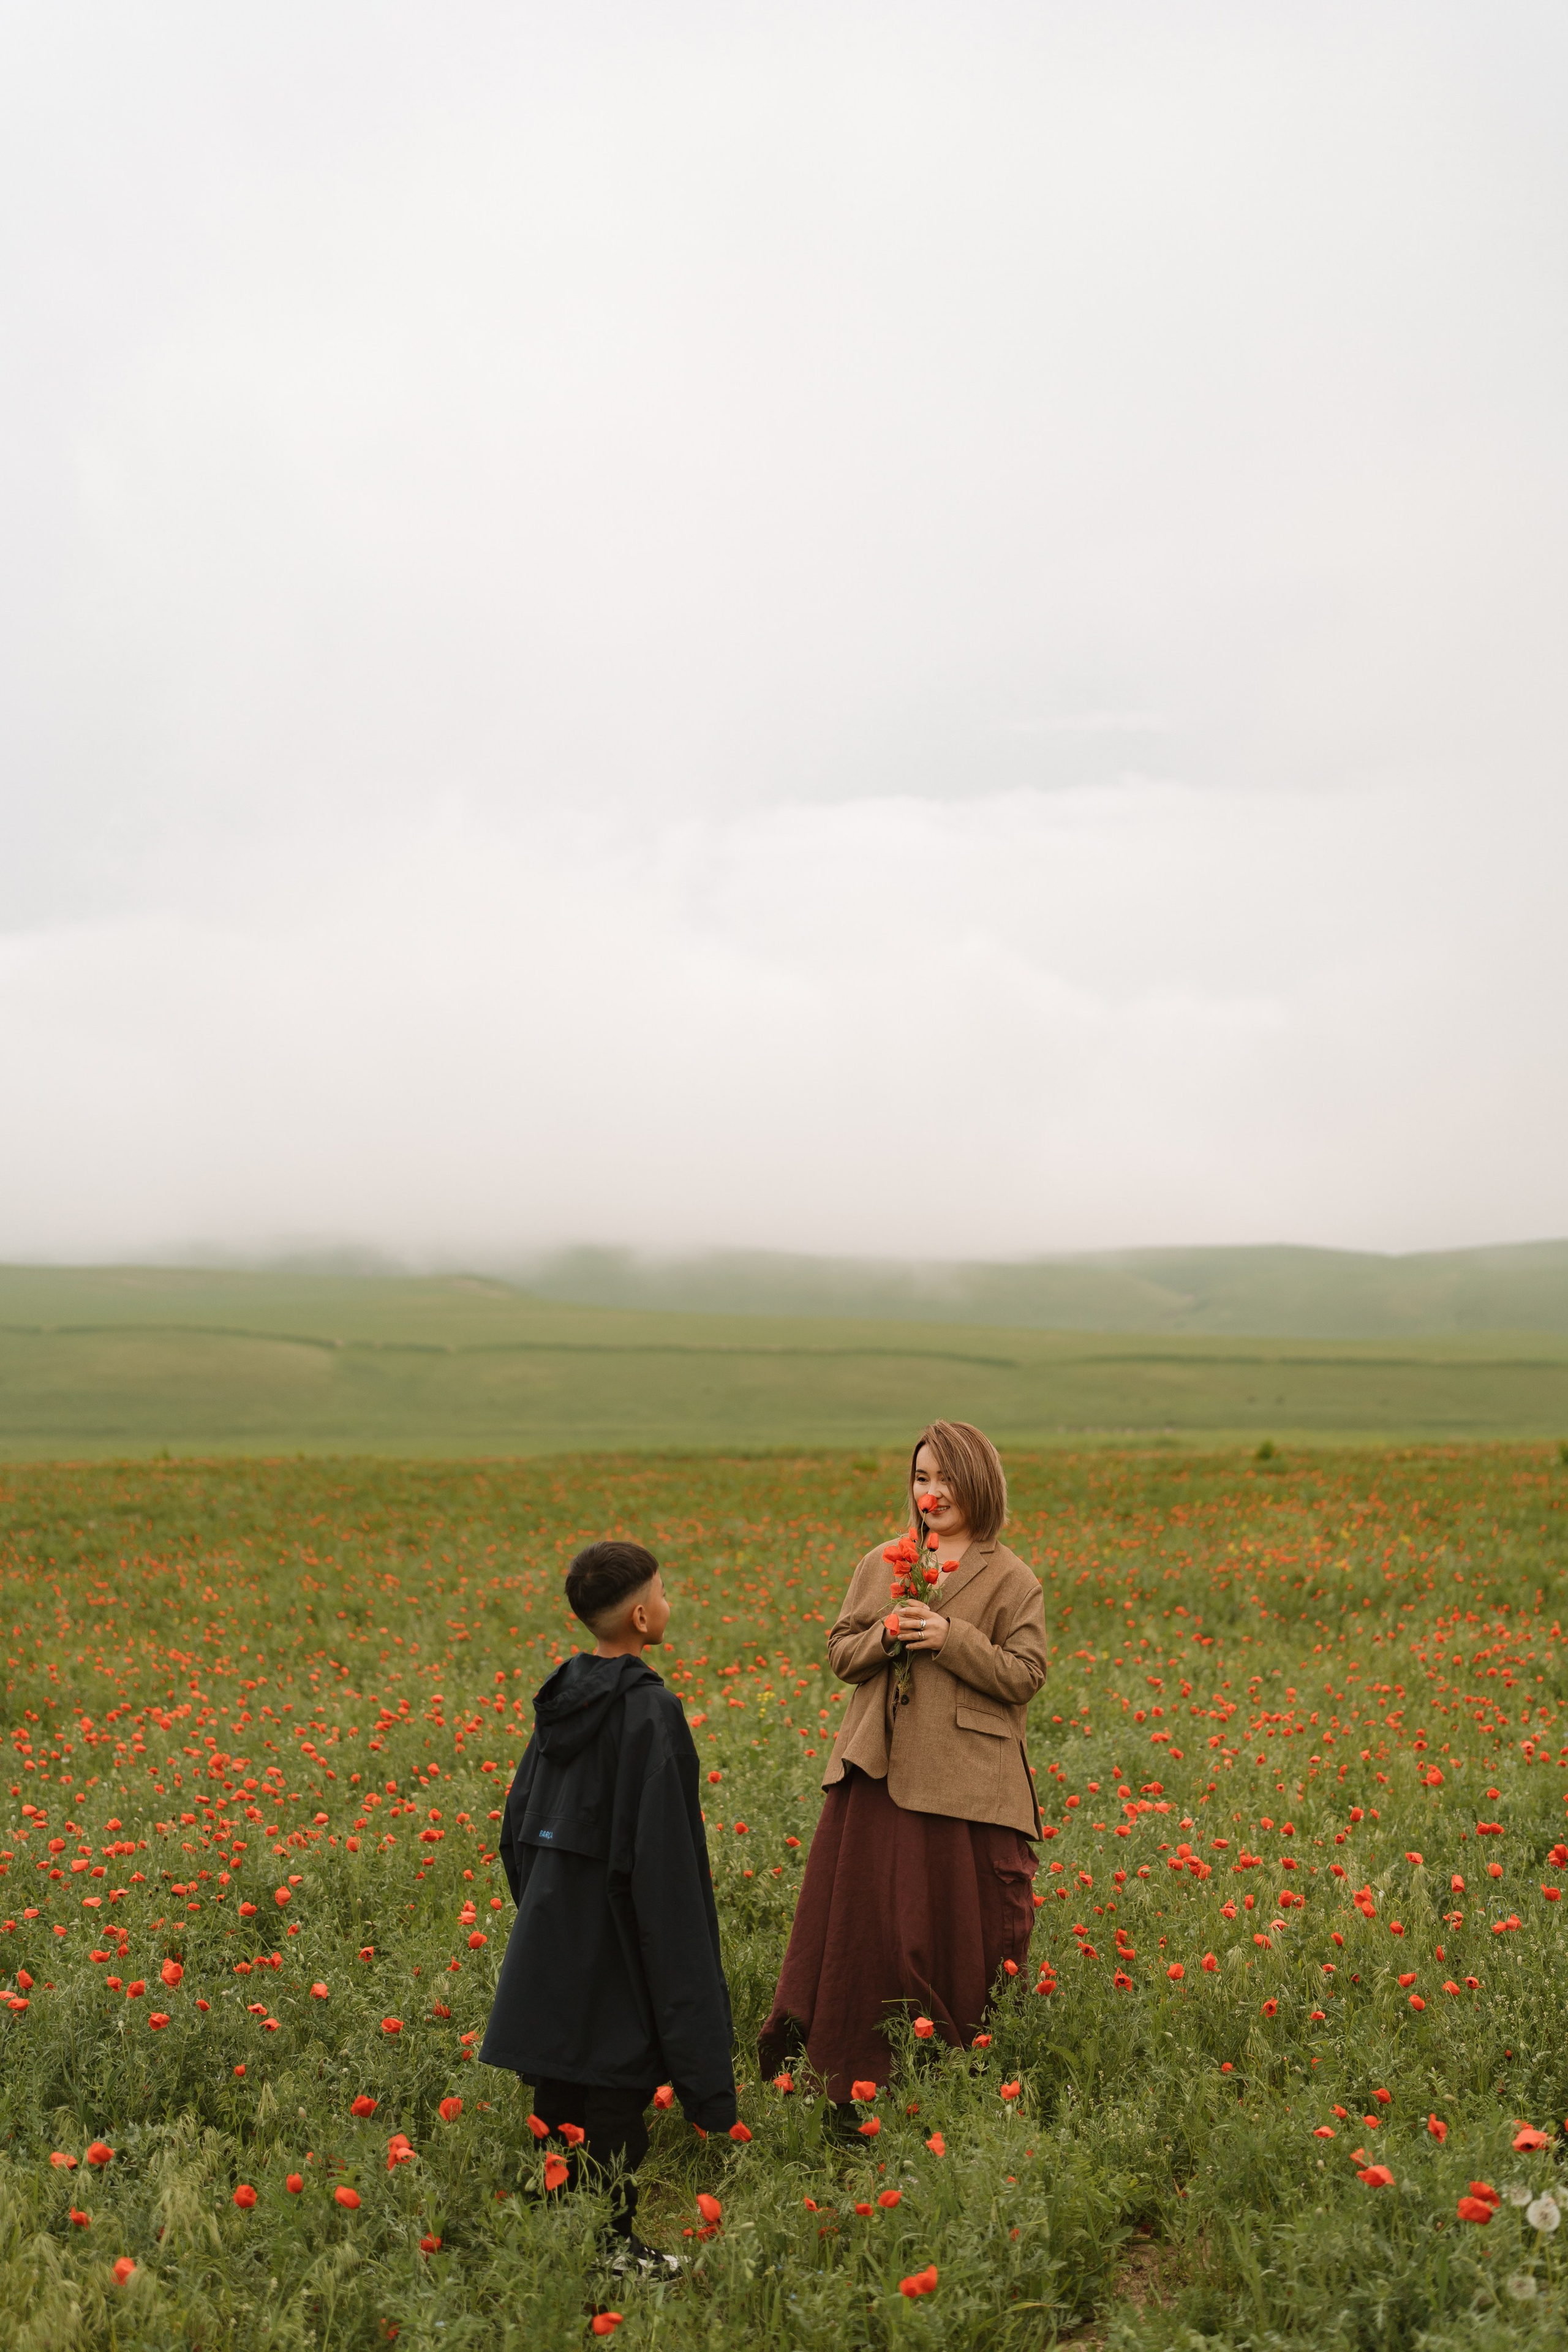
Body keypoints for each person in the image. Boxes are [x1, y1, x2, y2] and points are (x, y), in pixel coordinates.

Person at [759, 1420, 1047, 2117]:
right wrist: (886, 1634)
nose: (932, 1492)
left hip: (968, 1781)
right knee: (871, 1925)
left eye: (946, 1478)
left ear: (979, 1484)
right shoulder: (884, 1561)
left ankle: (957, 2072)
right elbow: (841, 1652)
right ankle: (854, 2068)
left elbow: (1026, 1674)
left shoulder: (1012, 1577)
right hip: (878, 1770)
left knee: (951, 1930)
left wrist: (952, 1638)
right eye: (921, 1478)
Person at [481, 1539, 736, 2267]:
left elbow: (515, 1826)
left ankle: (560, 2240)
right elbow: (663, 1859)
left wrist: (545, 1909)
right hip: (618, 1935)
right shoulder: (651, 1711)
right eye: (662, 1592)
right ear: (641, 1615)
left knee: (559, 2089)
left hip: (553, 1927)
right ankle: (608, 2249)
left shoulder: (560, 1701)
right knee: (616, 2096)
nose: (667, 1602)